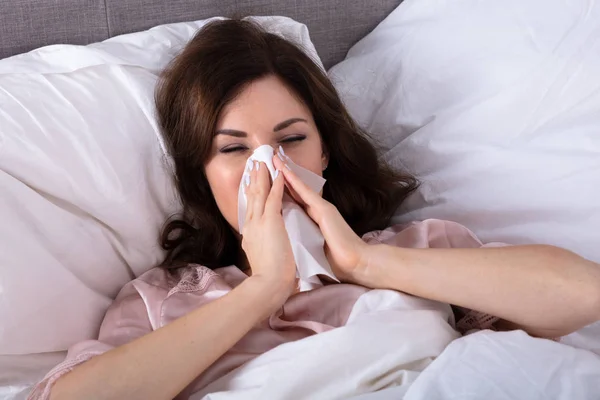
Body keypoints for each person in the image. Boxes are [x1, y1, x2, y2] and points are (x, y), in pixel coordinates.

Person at [30, 19, 600, 400]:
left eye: (291, 139)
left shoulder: (412, 251)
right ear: (202, 175)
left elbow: (582, 294)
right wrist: (265, 288)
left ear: (324, 148)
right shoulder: (166, 299)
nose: (270, 169)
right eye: (234, 149)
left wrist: (361, 264)